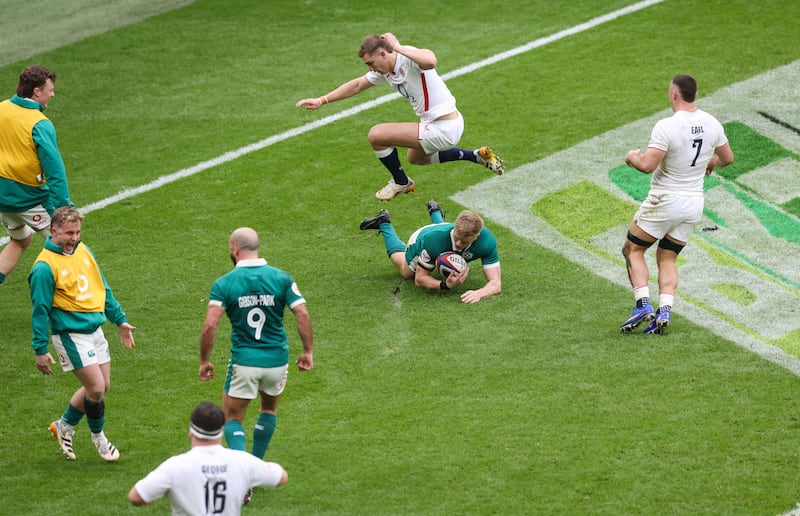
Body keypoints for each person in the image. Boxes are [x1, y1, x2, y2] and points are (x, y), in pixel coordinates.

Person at [296, 32, 504, 200]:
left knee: (376, 135)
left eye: (370, 62)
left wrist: (398, 46)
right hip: (444, 123)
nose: (370, 67)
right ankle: (475, 155)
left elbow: (431, 60)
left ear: (384, 54)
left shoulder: (408, 57)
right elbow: (358, 84)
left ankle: (401, 182)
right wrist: (322, 100)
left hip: (444, 126)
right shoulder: (384, 71)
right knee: (416, 158)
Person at [620, 74, 733, 334]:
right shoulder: (712, 123)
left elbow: (647, 165)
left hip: (665, 200)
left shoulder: (667, 126)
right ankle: (665, 310)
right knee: (667, 256)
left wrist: (631, 158)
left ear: (674, 94)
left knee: (632, 250)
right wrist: (711, 162)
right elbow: (727, 157)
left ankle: (643, 305)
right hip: (693, 204)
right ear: (696, 94)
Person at [28, 206, 136, 461]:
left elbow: (102, 288)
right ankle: (99, 438)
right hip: (71, 334)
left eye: (77, 232)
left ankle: (63, 425)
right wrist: (40, 349)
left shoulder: (84, 250)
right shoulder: (44, 267)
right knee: (96, 388)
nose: (74, 238)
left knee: (101, 386)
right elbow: (40, 310)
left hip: (94, 329)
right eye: (68, 233)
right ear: (53, 231)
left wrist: (119, 320)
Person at [199, 227, 314, 463]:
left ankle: (243, 475)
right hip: (277, 361)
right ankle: (256, 466)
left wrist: (204, 360)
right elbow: (301, 313)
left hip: (245, 362)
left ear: (234, 249)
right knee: (268, 411)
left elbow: (210, 326)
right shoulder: (281, 278)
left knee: (232, 419)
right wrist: (307, 351)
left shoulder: (224, 283)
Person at [128, 401, 288, 515]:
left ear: (191, 432)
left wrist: (148, 497)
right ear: (220, 432)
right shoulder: (242, 461)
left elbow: (135, 496)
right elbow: (281, 477)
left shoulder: (175, 466)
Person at [0, 64, 73, 285]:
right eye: (49, 89)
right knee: (69, 246)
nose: (53, 93)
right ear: (36, 91)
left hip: (2, 199)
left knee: (20, 240)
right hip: (28, 198)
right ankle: (77, 313)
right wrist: (63, 209)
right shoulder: (40, 124)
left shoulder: (2, 108)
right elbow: (55, 171)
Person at [359, 200, 501, 303]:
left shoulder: (486, 242)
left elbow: (496, 283)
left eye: (464, 242)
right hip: (422, 239)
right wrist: (444, 285)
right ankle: (384, 222)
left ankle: (435, 212)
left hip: (441, 232)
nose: (458, 244)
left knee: (442, 234)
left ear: (476, 236)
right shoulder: (433, 241)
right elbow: (419, 279)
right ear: (455, 227)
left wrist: (479, 293)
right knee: (406, 272)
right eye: (456, 238)